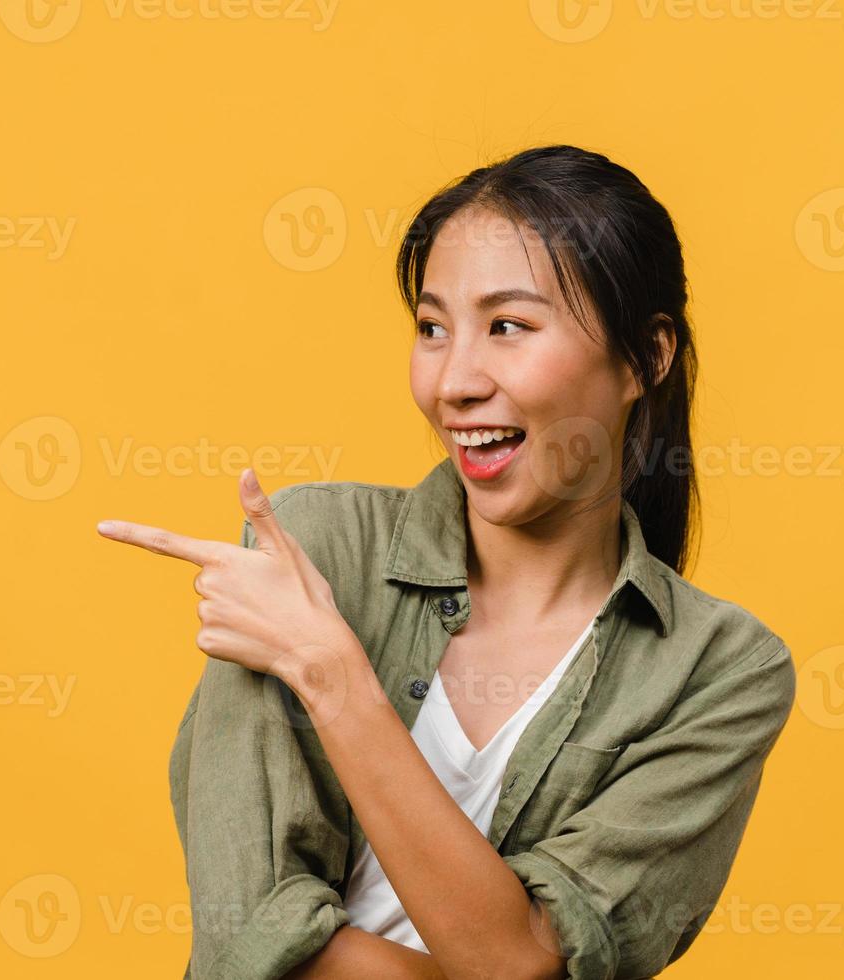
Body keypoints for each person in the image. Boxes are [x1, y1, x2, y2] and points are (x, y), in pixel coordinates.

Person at [98, 144, 797, 979]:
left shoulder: (719, 673)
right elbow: (246, 936)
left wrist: (331, 674)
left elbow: (522, 961)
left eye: (508, 326)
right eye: (433, 329)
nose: (454, 382)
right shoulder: (313, 549)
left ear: (647, 357)